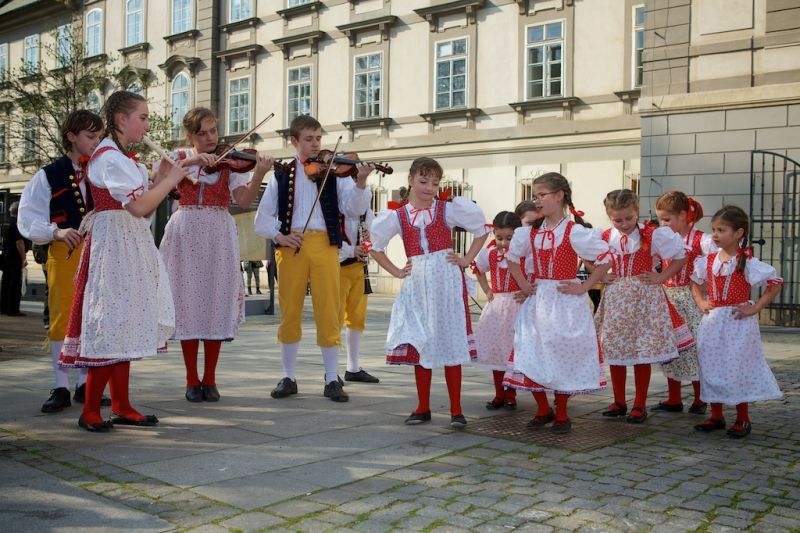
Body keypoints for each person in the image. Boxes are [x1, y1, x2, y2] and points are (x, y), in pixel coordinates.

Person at [58, 90, 189, 432]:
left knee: (127, 321)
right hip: (114, 241)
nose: (147, 124)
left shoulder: (121, 155)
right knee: (112, 322)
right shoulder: (108, 158)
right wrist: (172, 180)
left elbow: (145, 196)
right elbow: (140, 206)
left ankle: (121, 404)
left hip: (127, 240)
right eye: (142, 118)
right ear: (121, 120)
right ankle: (90, 409)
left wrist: (163, 175)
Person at [254, 115, 374, 403]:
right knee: (290, 309)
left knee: (329, 309)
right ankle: (289, 376)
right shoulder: (281, 174)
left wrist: (360, 182)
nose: (315, 144)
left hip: (325, 244)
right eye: (308, 139)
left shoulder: (335, 173)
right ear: (294, 141)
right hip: (291, 244)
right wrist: (280, 236)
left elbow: (355, 211)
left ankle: (332, 378)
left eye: (318, 138)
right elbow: (262, 219)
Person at [158, 107, 272, 403]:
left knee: (214, 301)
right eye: (202, 133)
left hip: (218, 231)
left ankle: (209, 378)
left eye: (213, 131)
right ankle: (190, 378)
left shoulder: (228, 164)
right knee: (187, 302)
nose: (210, 138)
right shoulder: (179, 159)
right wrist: (192, 159)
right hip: (186, 230)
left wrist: (258, 172)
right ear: (190, 136)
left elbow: (244, 200)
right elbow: (157, 178)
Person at [369, 157, 490, 428]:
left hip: (446, 279)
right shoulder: (397, 216)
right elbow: (375, 247)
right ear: (410, 180)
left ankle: (457, 410)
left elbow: (481, 231)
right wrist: (396, 271)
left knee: (450, 341)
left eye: (434, 183)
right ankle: (423, 407)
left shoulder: (447, 210)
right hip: (418, 280)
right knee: (420, 338)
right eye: (423, 181)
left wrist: (466, 258)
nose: (429, 188)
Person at [18, 110, 113, 412]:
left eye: (99, 136)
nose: (96, 142)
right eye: (90, 136)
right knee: (62, 316)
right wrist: (55, 232)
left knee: (94, 317)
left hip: (100, 252)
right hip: (66, 252)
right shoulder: (49, 174)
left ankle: (86, 384)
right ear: (71, 137)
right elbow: (27, 217)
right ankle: (61, 385)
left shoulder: (104, 169)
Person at [502, 173, 611, 433]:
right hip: (538, 299)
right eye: (535, 196)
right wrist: (523, 283)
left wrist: (585, 285)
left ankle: (561, 412)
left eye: (542, 195)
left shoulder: (574, 231)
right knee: (531, 353)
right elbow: (512, 257)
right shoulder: (529, 232)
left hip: (564, 300)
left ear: (560, 195)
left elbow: (606, 256)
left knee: (561, 354)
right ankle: (542, 408)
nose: (537, 200)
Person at [594, 189, 690, 424]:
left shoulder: (654, 235)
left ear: (636, 211)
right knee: (615, 348)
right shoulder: (604, 236)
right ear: (609, 216)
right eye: (618, 219)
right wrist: (601, 275)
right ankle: (618, 401)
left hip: (645, 298)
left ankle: (639, 404)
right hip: (616, 298)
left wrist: (661, 276)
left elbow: (680, 257)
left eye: (629, 218)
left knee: (641, 351)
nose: (624, 224)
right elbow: (588, 256)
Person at [690, 205, 783, 438]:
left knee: (736, 366)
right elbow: (696, 283)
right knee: (711, 364)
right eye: (713, 230)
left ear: (738, 233)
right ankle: (716, 414)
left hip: (737, 321)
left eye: (721, 230)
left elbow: (775, 283)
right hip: (713, 321)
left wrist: (756, 308)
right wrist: (701, 301)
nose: (715, 235)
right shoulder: (708, 260)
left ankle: (743, 418)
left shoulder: (746, 261)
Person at [651, 191, 716, 415]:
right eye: (661, 219)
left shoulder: (703, 240)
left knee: (696, 347)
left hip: (691, 298)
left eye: (667, 219)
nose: (663, 223)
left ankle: (700, 397)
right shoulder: (661, 239)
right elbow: (653, 262)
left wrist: (706, 289)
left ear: (683, 215)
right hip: (668, 296)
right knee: (671, 346)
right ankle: (674, 398)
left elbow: (714, 267)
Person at [473, 211, 526, 411]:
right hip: (497, 307)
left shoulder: (522, 255)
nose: (503, 242)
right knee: (496, 352)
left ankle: (511, 394)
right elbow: (477, 268)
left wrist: (525, 292)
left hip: (516, 306)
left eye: (509, 238)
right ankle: (498, 394)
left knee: (512, 352)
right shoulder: (491, 253)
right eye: (499, 238)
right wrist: (487, 290)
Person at [338, 202, 380, 383]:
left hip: (358, 267)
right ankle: (330, 371)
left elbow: (375, 233)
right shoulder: (334, 202)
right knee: (334, 318)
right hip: (336, 266)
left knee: (356, 318)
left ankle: (352, 368)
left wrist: (370, 240)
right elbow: (326, 237)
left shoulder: (364, 208)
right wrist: (349, 250)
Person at [1, 202, 26, 316]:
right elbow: (19, 242)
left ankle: (4, 307)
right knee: (15, 283)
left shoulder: (5, 223)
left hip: (5, 254)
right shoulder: (16, 224)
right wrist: (23, 258)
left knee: (5, 282)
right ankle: (13, 310)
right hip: (14, 257)